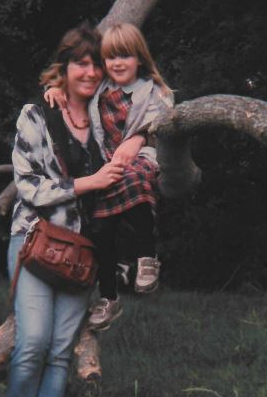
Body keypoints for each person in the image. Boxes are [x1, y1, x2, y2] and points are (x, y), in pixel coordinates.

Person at [0, 25, 124, 397]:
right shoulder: (36, 114)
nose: (89, 71)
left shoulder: (110, 121)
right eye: (80, 63)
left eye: (96, 64)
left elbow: (152, 100)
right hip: (36, 240)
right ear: (63, 70)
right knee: (32, 343)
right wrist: (88, 182)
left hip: (84, 251)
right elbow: (29, 187)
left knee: (60, 350)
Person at [46, 23, 173, 331]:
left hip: (141, 160)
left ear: (139, 59)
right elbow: (76, 93)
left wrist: (140, 136)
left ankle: (147, 258)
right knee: (101, 229)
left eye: (125, 56)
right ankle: (109, 297)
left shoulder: (152, 91)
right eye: (111, 58)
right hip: (109, 166)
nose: (117, 64)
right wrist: (56, 89)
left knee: (137, 186)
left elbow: (164, 119)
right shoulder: (100, 91)